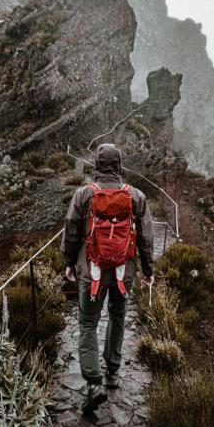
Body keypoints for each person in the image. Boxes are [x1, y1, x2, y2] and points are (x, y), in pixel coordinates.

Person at [61, 143, 154, 412]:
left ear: (97, 165)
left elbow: (71, 231)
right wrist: (148, 270)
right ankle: (112, 372)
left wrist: (69, 263)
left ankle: (93, 383)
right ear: (120, 165)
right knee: (117, 316)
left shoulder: (83, 195)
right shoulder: (136, 196)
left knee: (88, 322)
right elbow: (146, 238)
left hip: (91, 271)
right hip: (124, 272)